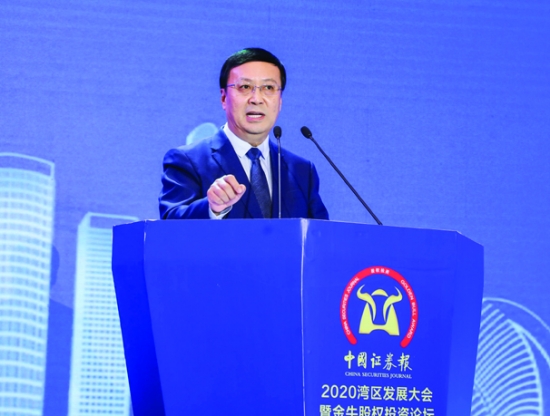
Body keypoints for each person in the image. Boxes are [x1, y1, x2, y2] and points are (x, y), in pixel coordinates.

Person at [159, 47, 329, 220]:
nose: (256, 99)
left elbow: (321, 233)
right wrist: (213, 209)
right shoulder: (187, 160)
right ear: (224, 98)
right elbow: (169, 226)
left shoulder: (302, 170)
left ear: (280, 101)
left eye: (268, 87)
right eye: (245, 87)